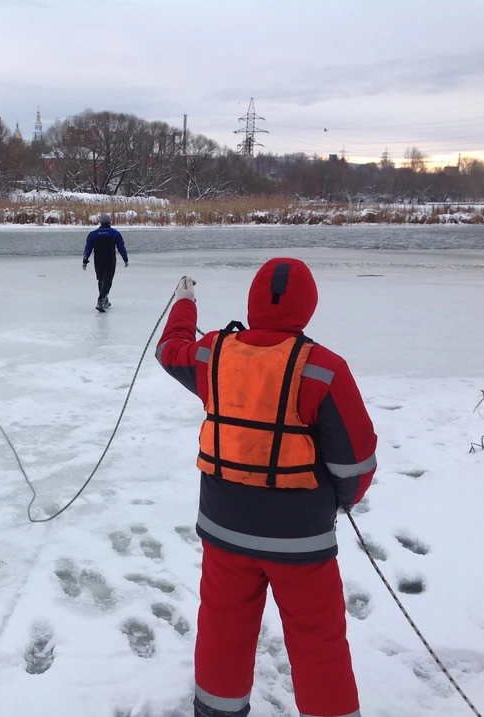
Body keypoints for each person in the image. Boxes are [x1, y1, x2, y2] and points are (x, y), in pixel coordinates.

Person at [156, 259, 377, 717]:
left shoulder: (216, 353)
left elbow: (172, 349)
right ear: (307, 308)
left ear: (254, 301)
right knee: (318, 641)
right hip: (301, 541)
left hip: (224, 530)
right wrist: (339, 501)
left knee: (223, 628)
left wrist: (183, 303)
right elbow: (355, 463)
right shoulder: (324, 369)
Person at [82, 213, 128, 312]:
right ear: (110, 222)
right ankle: (101, 300)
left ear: (101, 222)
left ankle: (105, 300)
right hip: (110, 260)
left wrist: (85, 260)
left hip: (98, 260)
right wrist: (125, 258)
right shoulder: (114, 233)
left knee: (101, 280)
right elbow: (121, 247)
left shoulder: (93, 234)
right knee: (107, 281)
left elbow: (88, 248)